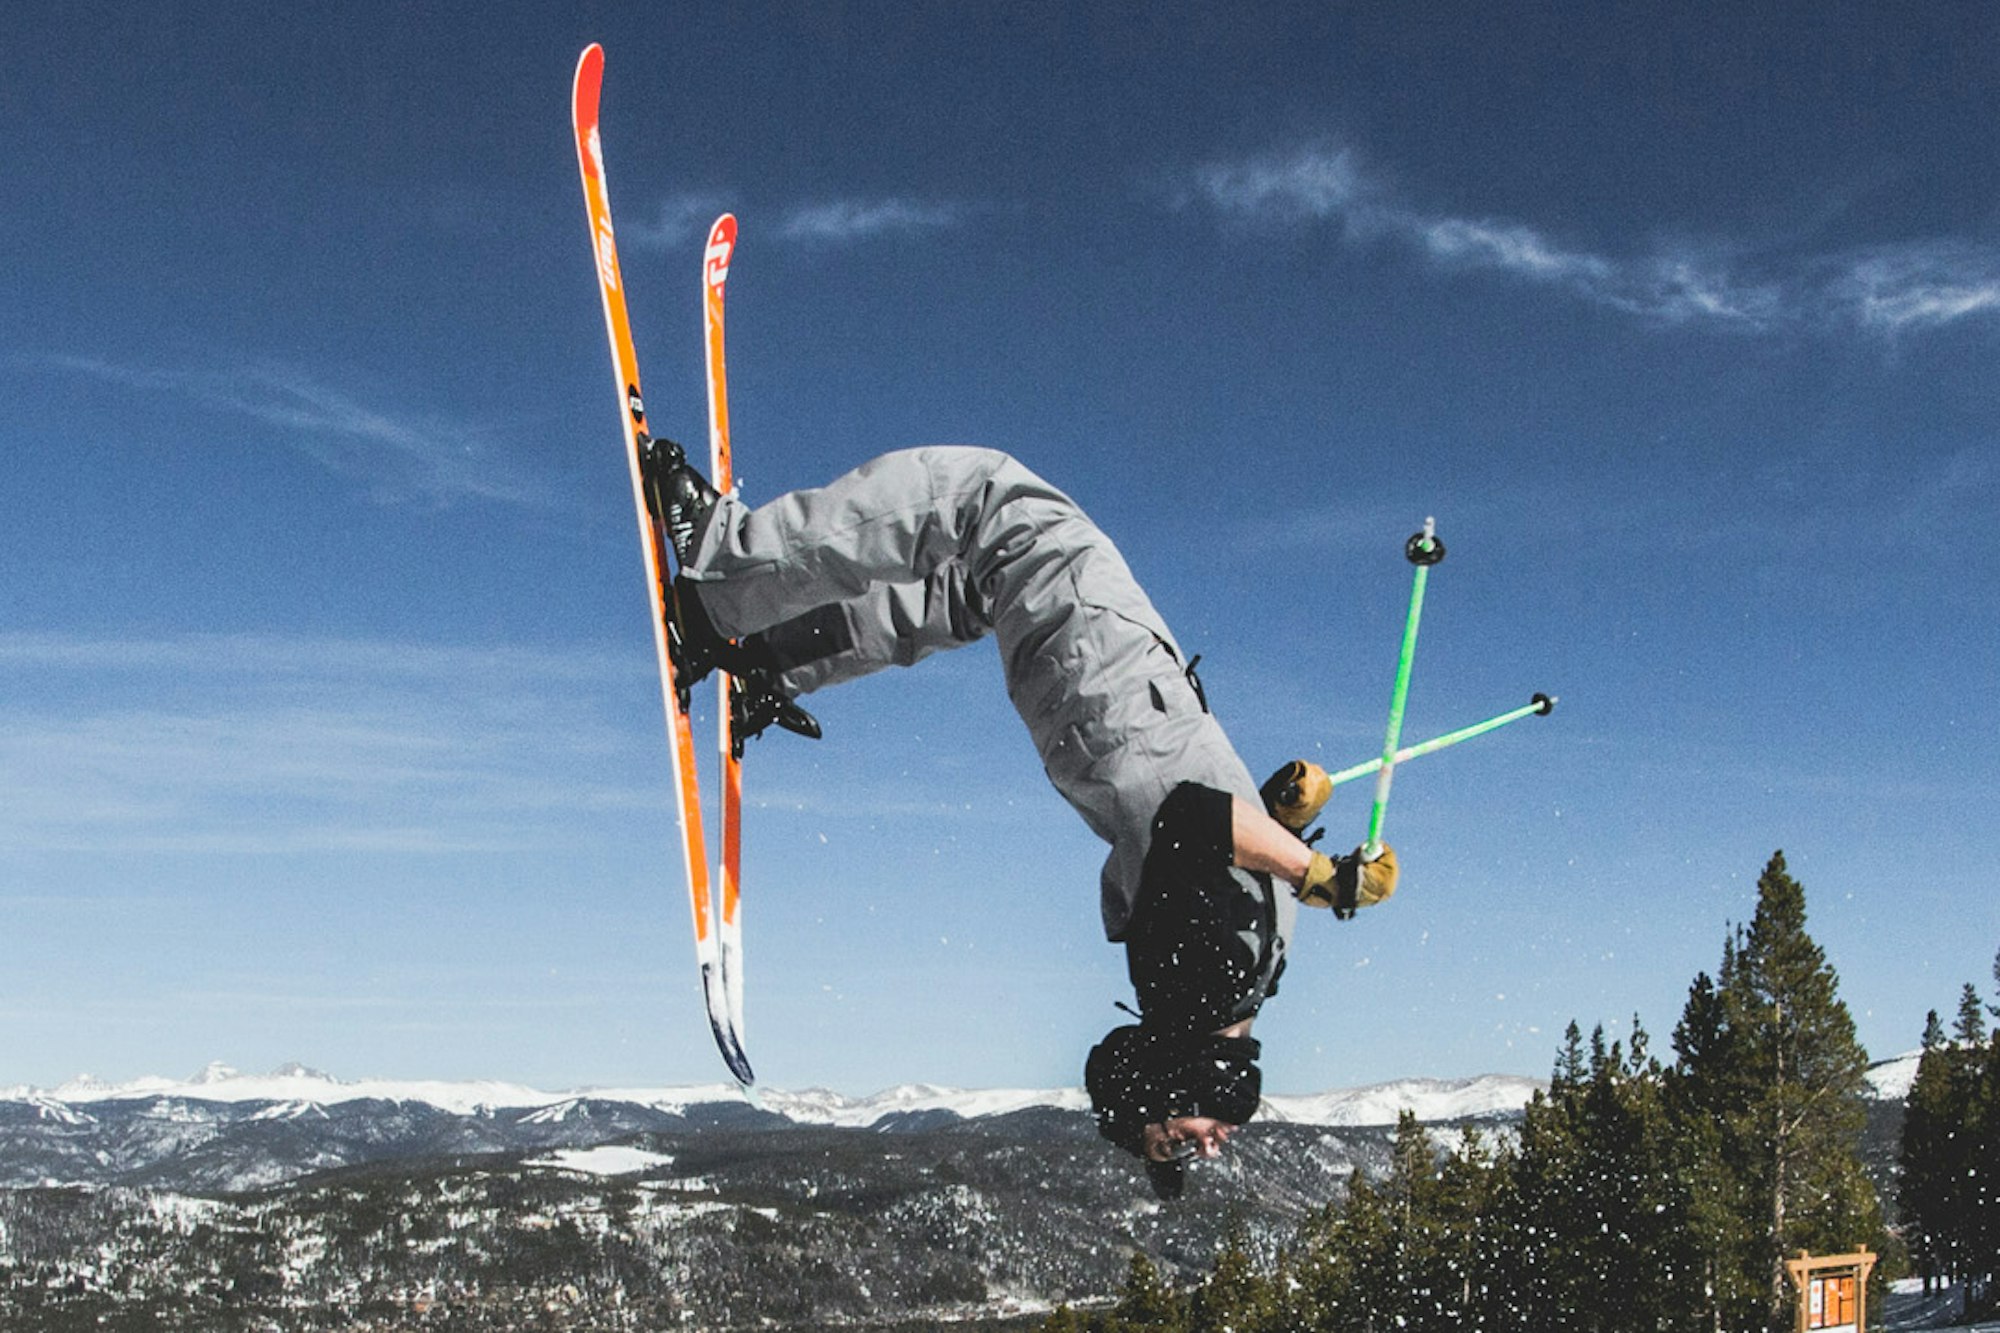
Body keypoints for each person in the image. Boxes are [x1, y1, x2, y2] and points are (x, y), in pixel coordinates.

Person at [643, 440, 1399, 1198]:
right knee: (972, 587)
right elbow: (1203, 855)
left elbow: (1189, 822)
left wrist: (1317, 873)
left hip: (1101, 685)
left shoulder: (1199, 991)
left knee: (988, 500)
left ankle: (722, 577)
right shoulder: (1227, 994)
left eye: (1170, 1140)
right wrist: (1280, 816)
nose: (1207, 1148)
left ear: (1164, 1087)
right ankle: (776, 659)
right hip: (1096, 707)